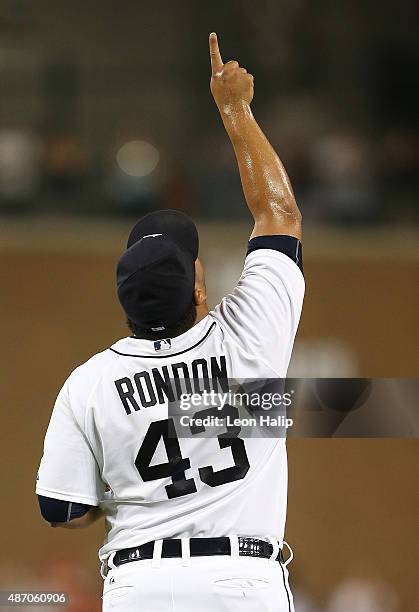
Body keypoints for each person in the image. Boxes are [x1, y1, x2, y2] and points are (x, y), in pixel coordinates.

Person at [36, 32, 304, 611]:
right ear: (199, 289)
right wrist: (235, 110)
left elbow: (61, 509)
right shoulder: (250, 338)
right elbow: (278, 216)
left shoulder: (89, 382)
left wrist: (132, 492)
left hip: (141, 587)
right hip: (241, 583)